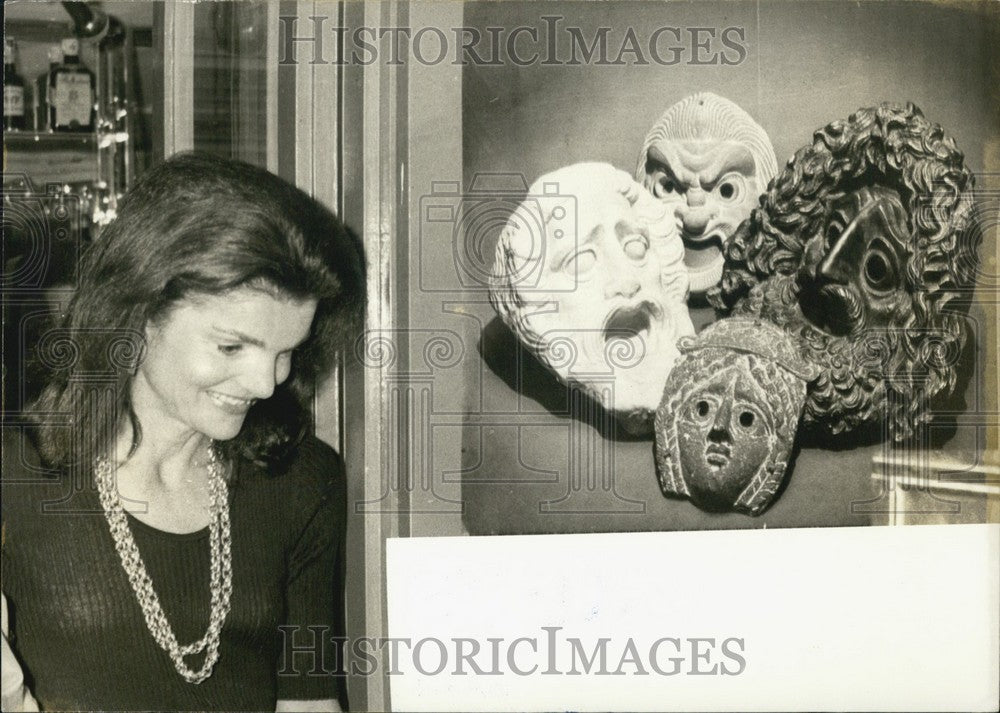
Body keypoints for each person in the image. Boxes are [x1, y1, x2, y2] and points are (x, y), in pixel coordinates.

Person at [1, 152, 366, 711]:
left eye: (286, 352)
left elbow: (310, 701)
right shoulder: (14, 470)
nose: (266, 385)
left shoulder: (304, 479)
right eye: (232, 346)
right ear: (139, 312)